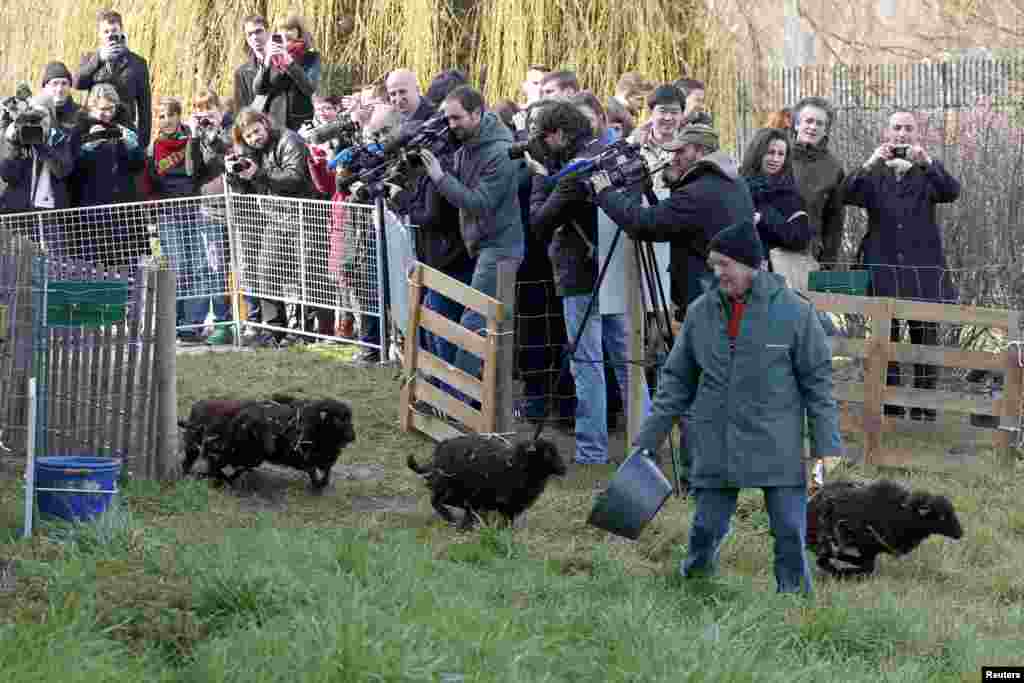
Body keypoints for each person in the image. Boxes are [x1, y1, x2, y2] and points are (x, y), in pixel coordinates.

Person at [630, 218, 841, 594]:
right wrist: (649, 437)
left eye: (724, 264)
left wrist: (827, 447)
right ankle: (694, 585)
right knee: (705, 528)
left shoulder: (795, 313)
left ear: (750, 264)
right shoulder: (701, 312)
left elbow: (818, 384)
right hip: (717, 438)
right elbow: (677, 379)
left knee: (790, 532)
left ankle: (794, 600)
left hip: (776, 440)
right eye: (714, 265)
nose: (717, 272)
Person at [529, 100, 650, 464]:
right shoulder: (612, 156)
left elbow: (539, 224)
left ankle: (592, 450)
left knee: (588, 364)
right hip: (616, 269)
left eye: (543, 137)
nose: (540, 143)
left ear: (559, 135)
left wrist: (544, 181)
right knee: (628, 360)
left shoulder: (572, 173)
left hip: (579, 276)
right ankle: (644, 442)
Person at [844, 108, 961, 422]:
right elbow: (846, 193)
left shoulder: (925, 173)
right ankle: (891, 406)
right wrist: (870, 162)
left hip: (922, 269)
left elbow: (952, 191)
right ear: (887, 132)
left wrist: (928, 162)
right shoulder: (875, 173)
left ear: (916, 133)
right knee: (887, 338)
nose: (902, 134)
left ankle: (923, 407)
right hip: (882, 266)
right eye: (896, 128)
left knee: (925, 337)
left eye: (908, 128)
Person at [418, 85, 525, 386]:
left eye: (457, 118)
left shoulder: (499, 152)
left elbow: (479, 203)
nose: (451, 125)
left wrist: (439, 177)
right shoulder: (468, 142)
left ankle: (458, 394)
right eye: (447, 119)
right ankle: (460, 389)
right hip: (479, 244)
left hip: (500, 246)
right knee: (453, 313)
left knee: (474, 319)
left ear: (477, 114)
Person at [227, 108, 316, 347]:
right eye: (248, 136)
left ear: (265, 123)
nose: (254, 138)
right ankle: (275, 330)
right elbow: (244, 190)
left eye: (256, 131)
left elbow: (294, 178)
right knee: (267, 272)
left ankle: (306, 332)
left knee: (306, 276)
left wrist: (260, 173)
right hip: (275, 219)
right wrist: (234, 175)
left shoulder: (289, 140)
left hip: (303, 216)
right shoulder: (251, 152)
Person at [70, 83, 146, 267]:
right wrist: (88, 147)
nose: (107, 114)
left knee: (125, 263)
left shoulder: (125, 127)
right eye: (101, 109)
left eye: (111, 108)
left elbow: (138, 166)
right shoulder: (79, 130)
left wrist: (133, 146)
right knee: (93, 265)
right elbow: (71, 171)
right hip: (92, 210)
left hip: (123, 209)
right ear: (91, 107)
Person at [0, 95, 76, 258]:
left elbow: (63, 170)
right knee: (18, 262)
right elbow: (8, 176)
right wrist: (15, 147)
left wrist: (40, 145)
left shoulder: (60, 139)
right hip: (20, 213)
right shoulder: (18, 139)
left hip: (50, 214)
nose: (39, 122)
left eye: (43, 116)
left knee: (53, 263)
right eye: (34, 117)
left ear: (51, 117)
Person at [74, 9, 153, 147]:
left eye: (114, 30)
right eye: (106, 32)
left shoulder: (138, 63)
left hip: (125, 130)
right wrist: (99, 59)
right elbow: (77, 83)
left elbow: (144, 106)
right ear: (99, 34)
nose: (110, 35)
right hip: (94, 129)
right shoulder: (89, 59)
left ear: (121, 31)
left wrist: (143, 144)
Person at [738, 128, 812, 258]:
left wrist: (763, 218)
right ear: (757, 153)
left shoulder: (790, 194)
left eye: (781, 154)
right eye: (770, 152)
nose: (775, 159)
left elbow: (800, 240)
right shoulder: (738, 187)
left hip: (774, 272)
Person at [789, 96, 845, 265]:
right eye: (809, 121)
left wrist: (828, 263)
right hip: (772, 251)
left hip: (810, 255)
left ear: (826, 130)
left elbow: (834, 221)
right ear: (797, 124)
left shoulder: (833, 168)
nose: (813, 127)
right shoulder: (777, 156)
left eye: (819, 123)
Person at [252, 13, 321, 131]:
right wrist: (267, 60)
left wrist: (289, 62)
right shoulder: (270, 54)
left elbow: (309, 87)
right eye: (281, 29)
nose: (285, 33)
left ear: (298, 31)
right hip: (273, 119)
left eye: (290, 29)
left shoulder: (311, 55)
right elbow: (258, 89)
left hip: (299, 120)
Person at [234, 14, 270, 112]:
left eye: (258, 31)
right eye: (250, 34)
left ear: (268, 32)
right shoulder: (242, 73)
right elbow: (241, 111)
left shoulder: (285, 64)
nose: (255, 37)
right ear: (246, 38)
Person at [41, 62, 82, 131]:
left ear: (70, 87)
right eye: (55, 83)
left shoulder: (81, 114)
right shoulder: (36, 113)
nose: (60, 89)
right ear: (45, 87)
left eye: (64, 83)